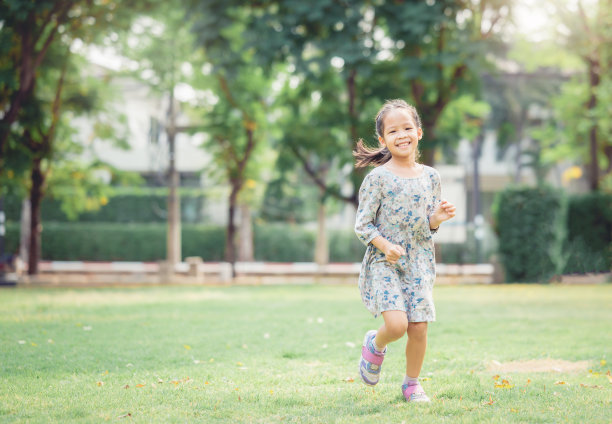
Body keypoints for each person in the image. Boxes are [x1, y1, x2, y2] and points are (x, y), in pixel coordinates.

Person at [353, 99, 456, 402]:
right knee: (397, 325)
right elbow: (363, 225)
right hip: (384, 262)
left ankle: (412, 383)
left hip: (420, 261)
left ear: (419, 132)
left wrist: (436, 219)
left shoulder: (431, 177)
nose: (402, 135)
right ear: (383, 140)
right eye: (393, 130)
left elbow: (427, 224)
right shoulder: (377, 179)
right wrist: (386, 246)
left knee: (419, 327)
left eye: (407, 127)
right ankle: (375, 343)